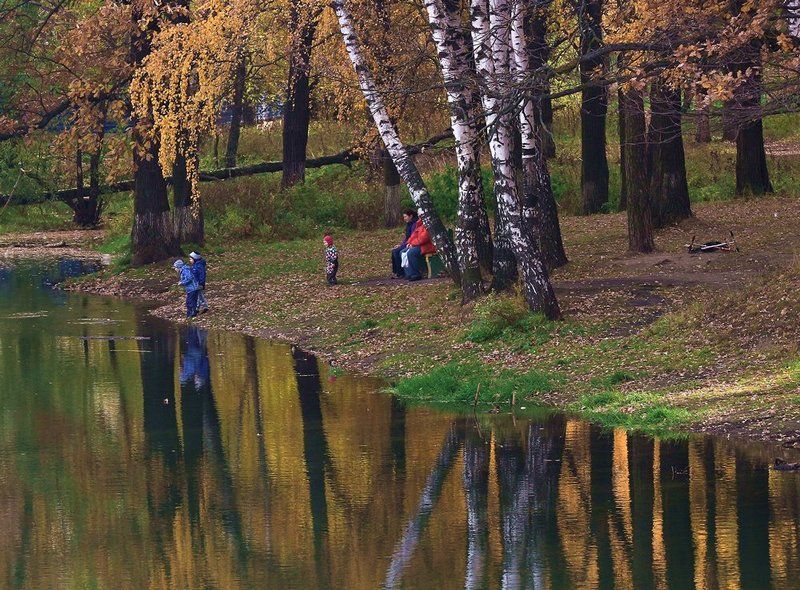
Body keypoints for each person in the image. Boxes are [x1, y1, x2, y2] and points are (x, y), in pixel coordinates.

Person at [403, 211, 436, 281]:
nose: (419, 216)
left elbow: (424, 238)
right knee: (402, 252)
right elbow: (413, 235)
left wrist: (413, 244)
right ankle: (409, 273)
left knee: (411, 253)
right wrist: (409, 243)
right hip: (420, 245)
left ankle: (416, 274)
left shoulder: (428, 224)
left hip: (427, 246)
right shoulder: (419, 224)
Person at [391, 209, 418, 278]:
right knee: (394, 250)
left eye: (405, 217)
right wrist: (400, 244)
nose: (404, 219)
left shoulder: (414, 224)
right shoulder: (409, 224)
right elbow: (407, 237)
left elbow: (412, 237)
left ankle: (401, 272)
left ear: (411, 216)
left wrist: (404, 245)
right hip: (407, 242)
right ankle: (396, 271)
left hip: (411, 243)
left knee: (397, 251)